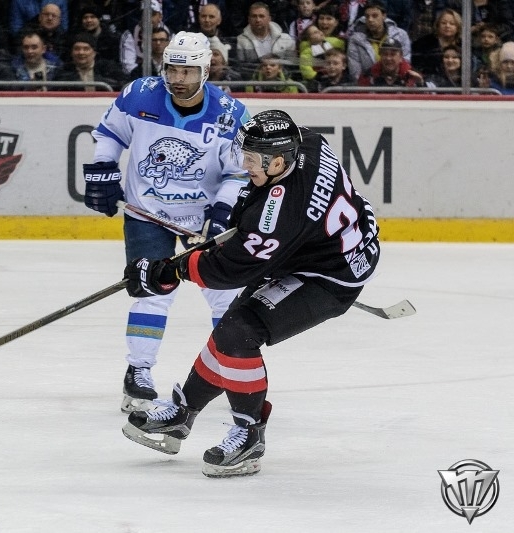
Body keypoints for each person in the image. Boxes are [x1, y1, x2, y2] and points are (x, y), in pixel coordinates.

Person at [121, 109, 380, 478]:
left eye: (253, 160)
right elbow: (260, 224)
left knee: (239, 334)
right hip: (322, 245)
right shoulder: (307, 141)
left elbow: (230, 269)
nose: (245, 165)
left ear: (278, 162)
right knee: (232, 328)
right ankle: (184, 412)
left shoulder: (280, 212)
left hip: (329, 275)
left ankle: (249, 435)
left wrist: (170, 271)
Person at [83, 31, 250, 412]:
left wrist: (222, 212)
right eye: (172, 69)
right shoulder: (140, 95)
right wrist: (103, 170)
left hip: (202, 220)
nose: (177, 79)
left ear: (205, 71)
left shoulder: (231, 114)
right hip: (148, 213)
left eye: (187, 72)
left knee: (225, 295)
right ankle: (138, 371)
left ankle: (233, 367)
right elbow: (110, 133)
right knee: (152, 290)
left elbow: (239, 172)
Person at [346, 0, 412, 81]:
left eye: (375, 16)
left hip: (398, 83)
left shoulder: (401, 35)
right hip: (367, 85)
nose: (370, 20)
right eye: (367, 16)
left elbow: (405, 63)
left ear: (384, 16)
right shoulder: (355, 40)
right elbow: (355, 73)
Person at [234, 2, 296, 77]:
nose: (258, 20)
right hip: (253, 80)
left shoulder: (285, 39)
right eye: (254, 16)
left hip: (281, 80)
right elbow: (241, 67)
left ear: (269, 19)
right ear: (249, 19)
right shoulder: (241, 40)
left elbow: (291, 65)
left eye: (261, 16)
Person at [54, 31, 124, 90]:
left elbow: (122, 85)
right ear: (71, 53)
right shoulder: (64, 71)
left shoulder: (108, 68)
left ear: (94, 53)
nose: (81, 52)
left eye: (86, 49)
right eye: (77, 49)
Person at [119, 0, 172, 75]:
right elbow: (128, 66)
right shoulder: (130, 34)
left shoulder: (170, 34)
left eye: (152, 14)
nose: (148, 18)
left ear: (160, 17)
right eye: (145, 14)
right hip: (138, 76)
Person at [357, 36, 424, 88]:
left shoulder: (413, 76)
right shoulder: (367, 76)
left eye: (393, 54)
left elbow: (424, 99)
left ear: (401, 57)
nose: (388, 58)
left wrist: (420, 84)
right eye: (385, 54)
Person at [411, 8, 461, 76]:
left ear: (458, 27)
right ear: (437, 25)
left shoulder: (463, 45)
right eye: (443, 23)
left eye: (452, 24)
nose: (447, 26)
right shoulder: (422, 43)